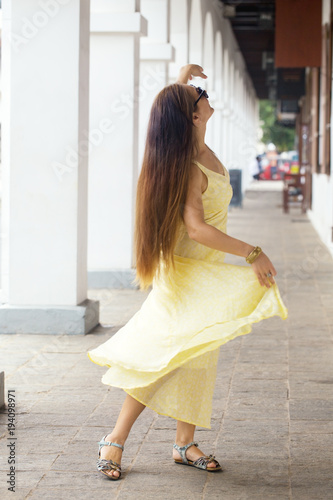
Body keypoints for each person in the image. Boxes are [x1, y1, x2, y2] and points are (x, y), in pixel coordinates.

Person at [87, 64, 288, 480]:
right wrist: (253, 253)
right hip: (185, 273)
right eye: (200, 95)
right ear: (194, 116)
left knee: (200, 353)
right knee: (163, 356)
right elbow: (197, 229)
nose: (204, 94)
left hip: (205, 271)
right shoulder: (188, 167)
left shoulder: (197, 146)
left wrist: (182, 81)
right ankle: (115, 438)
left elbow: (175, 111)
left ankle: (184, 443)